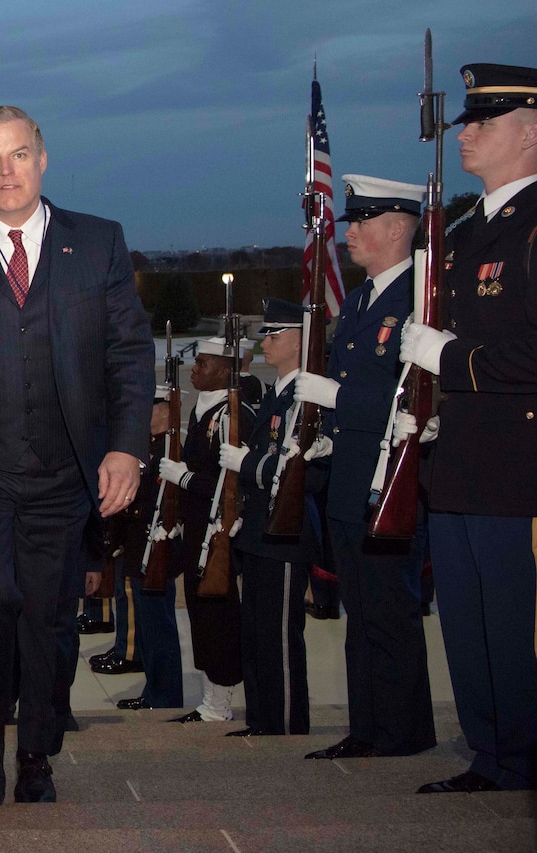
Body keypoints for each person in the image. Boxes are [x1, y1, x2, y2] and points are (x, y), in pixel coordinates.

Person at [0, 106, 153, 805]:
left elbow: (128, 355)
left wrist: (127, 448)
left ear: (43, 158)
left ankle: (36, 751)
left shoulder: (98, 244)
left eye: (18, 154)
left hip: (65, 471)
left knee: (47, 612)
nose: (6, 170)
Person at [400, 63, 537, 793]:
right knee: (468, 622)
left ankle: (521, 752)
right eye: (467, 122)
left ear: (530, 133)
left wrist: (451, 359)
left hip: (518, 465)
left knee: (514, 627)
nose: (467, 135)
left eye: (485, 122)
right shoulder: (463, 229)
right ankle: (492, 752)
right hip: (459, 462)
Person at [294, 178, 437, 758]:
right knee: (360, 611)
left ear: (397, 229)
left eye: (361, 223)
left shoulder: (417, 301)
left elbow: (415, 401)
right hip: (353, 479)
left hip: (391, 480)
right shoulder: (359, 301)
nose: (348, 234)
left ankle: (403, 731)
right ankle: (369, 726)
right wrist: (330, 434)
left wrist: (336, 400)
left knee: (389, 611)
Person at [221, 298, 325, 737]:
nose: (266, 342)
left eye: (275, 334)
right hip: (261, 530)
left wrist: (246, 465)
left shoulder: (308, 395)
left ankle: (283, 721)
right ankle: (261, 718)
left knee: (280, 635)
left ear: (300, 340)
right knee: (256, 632)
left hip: (285, 533)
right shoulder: (277, 393)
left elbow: (301, 470)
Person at [158, 338, 252, 725]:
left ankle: (220, 702)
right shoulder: (202, 411)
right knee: (200, 613)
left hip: (219, 532)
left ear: (226, 371)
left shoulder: (234, 415)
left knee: (219, 615)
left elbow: (231, 484)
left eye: (204, 363)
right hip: (196, 527)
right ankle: (210, 700)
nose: (195, 369)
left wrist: (185, 478)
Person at [110, 391, 184, 711]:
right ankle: (156, 690)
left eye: (150, 407)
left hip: (157, 551)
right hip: (140, 549)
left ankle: (165, 696)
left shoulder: (173, 450)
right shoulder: (149, 447)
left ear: (167, 413)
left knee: (159, 627)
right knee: (149, 628)